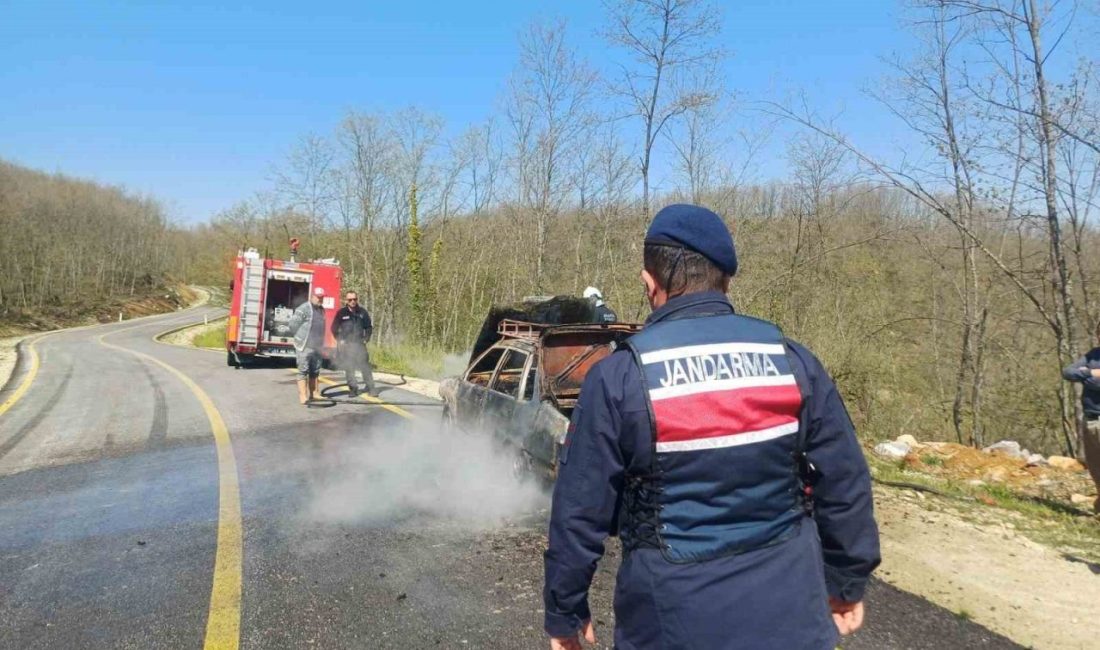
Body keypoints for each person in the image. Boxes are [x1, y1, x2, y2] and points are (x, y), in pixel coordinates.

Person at [543, 204, 881, 650]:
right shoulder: (791, 360)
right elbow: (845, 479)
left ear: (649, 283)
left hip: (672, 624)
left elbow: (579, 510)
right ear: (727, 280)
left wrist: (565, 612)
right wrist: (846, 580)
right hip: (793, 614)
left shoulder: (619, 377)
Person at [1061, 346, 1100, 511]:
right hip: (1089, 419)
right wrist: (1091, 373)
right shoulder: (1093, 354)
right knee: (1094, 466)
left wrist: (1086, 377)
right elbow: (1068, 372)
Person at [331, 290, 378, 397]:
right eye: (350, 299)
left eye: (354, 299)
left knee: (365, 367)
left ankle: (371, 388)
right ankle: (353, 389)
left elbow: (368, 327)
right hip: (347, 346)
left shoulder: (362, 312)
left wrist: (366, 338)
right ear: (346, 300)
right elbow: (333, 328)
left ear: (357, 299)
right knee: (349, 367)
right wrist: (340, 339)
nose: (352, 301)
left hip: (360, 345)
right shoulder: (341, 313)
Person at [288, 286, 328, 405]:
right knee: (303, 370)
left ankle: (314, 393)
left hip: (317, 346)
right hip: (305, 345)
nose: (320, 299)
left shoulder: (322, 310)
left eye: (322, 297)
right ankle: (303, 396)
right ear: (312, 297)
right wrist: (299, 336)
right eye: (318, 297)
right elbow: (292, 324)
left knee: (315, 371)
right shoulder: (304, 308)